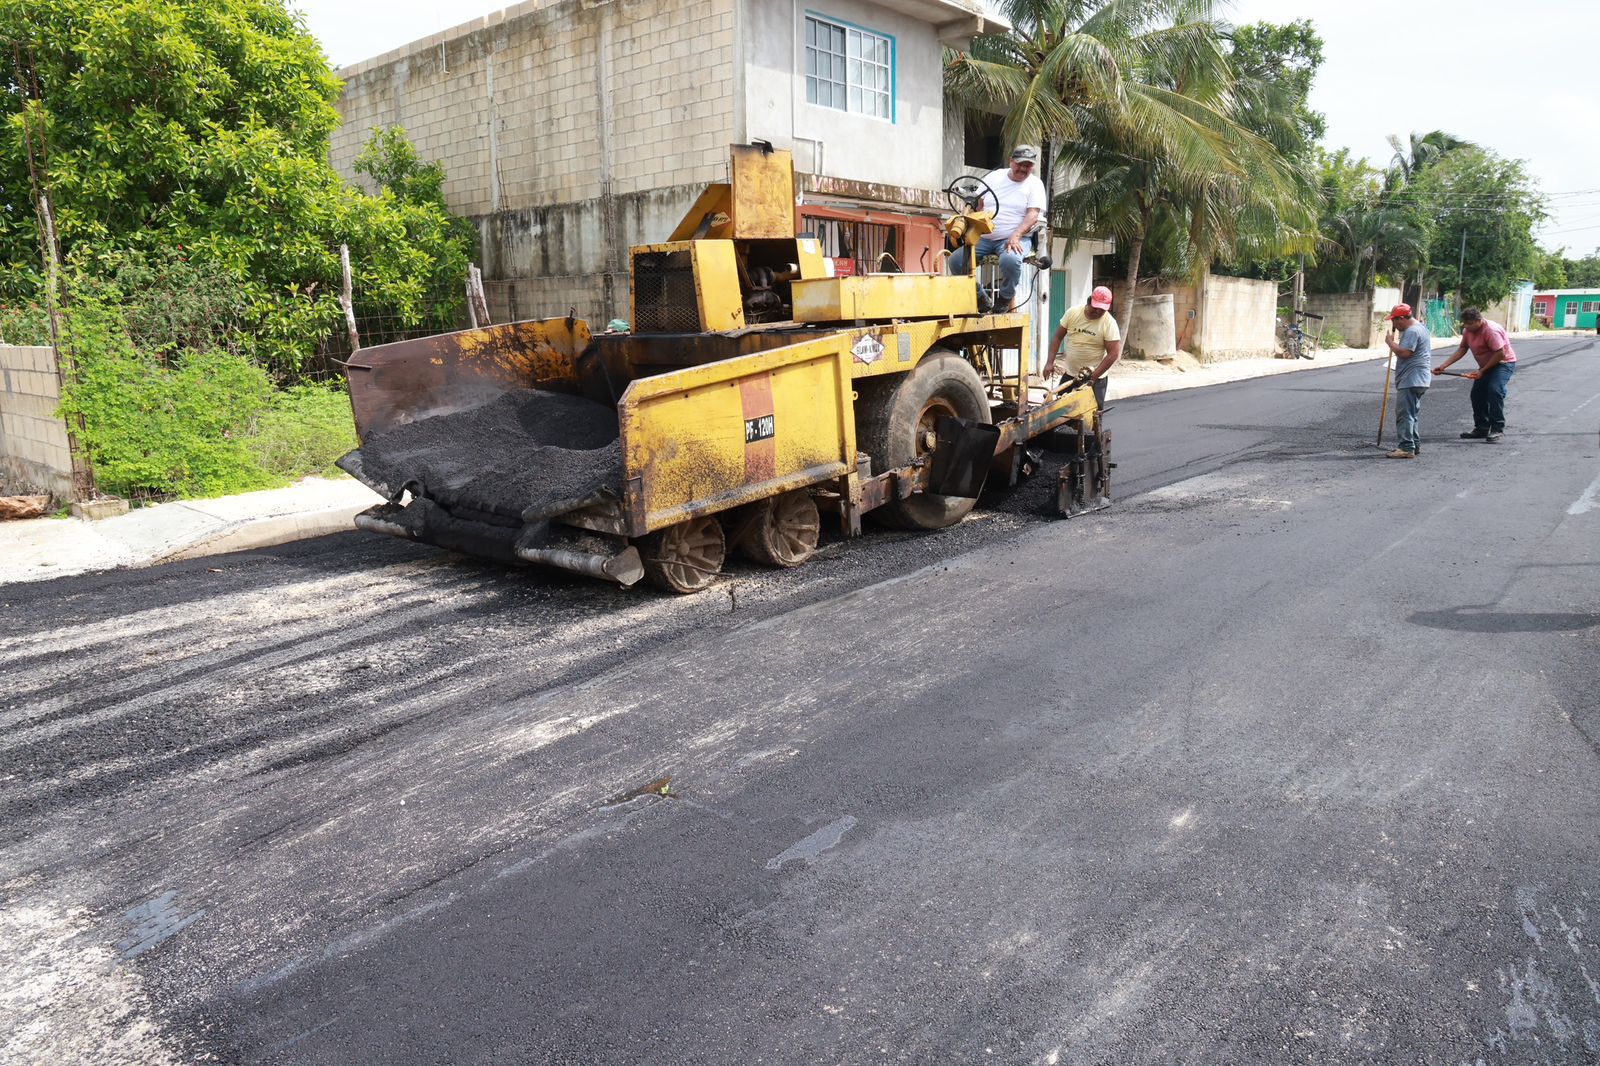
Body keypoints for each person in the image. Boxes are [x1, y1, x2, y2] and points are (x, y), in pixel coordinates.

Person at [945, 145, 1048, 311]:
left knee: (1010, 260)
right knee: (956, 261)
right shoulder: (994, 177)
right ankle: (979, 297)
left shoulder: (1035, 184)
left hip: (1015, 238)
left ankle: (1005, 298)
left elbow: (1032, 215)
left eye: (1028, 165)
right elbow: (978, 203)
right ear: (1011, 161)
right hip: (984, 237)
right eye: (1019, 163)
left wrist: (1015, 235)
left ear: (1033, 167)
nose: (1022, 168)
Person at [1434, 307, 1517, 442]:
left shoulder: (1491, 331)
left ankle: (1497, 428)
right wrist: (1444, 365)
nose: (1466, 327)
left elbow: (1500, 353)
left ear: (1479, 321)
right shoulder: (1468, 331)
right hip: (1485, 366)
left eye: (1470, 324)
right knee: (1477, 394)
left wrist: (1482, 371)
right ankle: (1482, 428)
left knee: (1495, 390)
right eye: (1465, 324)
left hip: (1503, 363)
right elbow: (1462, 348)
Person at [1043, 286, 1122, 408]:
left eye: (1102, 310)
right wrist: (1049, 362)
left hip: (1096, 379)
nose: (1098, 312)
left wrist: (1093, 377)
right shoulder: (1073, 313)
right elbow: (1057, 338)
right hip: (1070, 375)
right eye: (1095, 308)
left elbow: (1113, 354)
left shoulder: (1109, 323)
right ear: (1089, 301)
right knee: (1060, 413)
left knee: (1091, 416)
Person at [1382, 304, 1432, 458]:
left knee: (1404, 414)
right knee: (1412, 414)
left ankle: (1406, 447)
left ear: (1402, 319)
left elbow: (1405, 353)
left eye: (1395, 321)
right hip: (1418, 378)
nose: (1394, 325)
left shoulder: (1412, 331)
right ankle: (1414, 444)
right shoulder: (1421, 327)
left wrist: (1390, 343)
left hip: (1411, 378)